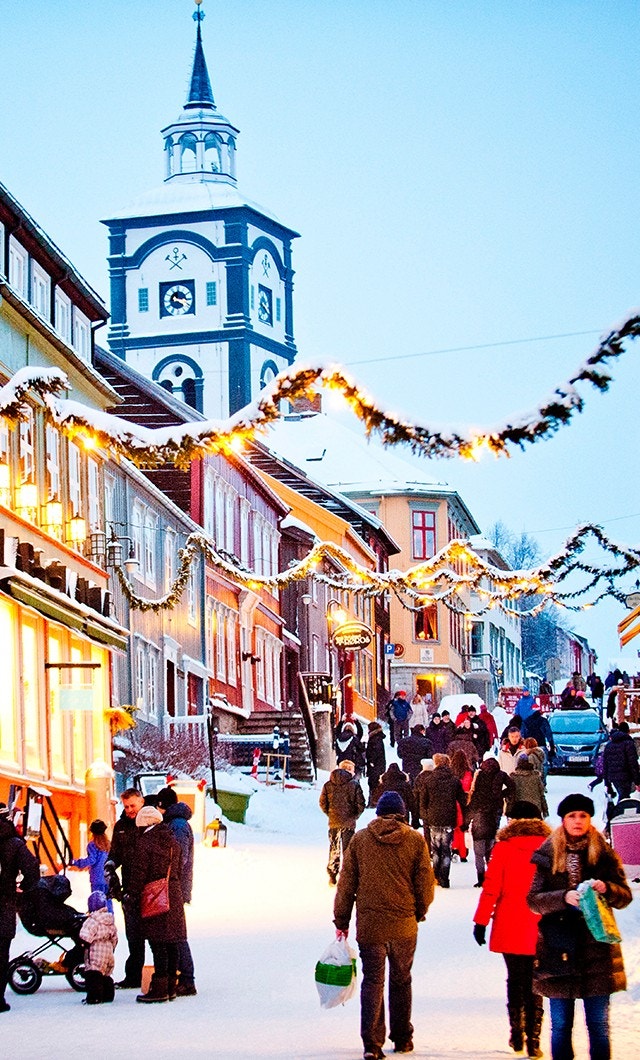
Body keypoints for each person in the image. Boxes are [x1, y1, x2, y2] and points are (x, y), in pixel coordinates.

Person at [527, 793, 632, 1060]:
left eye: (583, 815)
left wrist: (607, 888)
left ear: (589, 819)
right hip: (558, 950)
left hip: (596, 949)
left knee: (598, 1026)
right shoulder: (547, 854)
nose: (577, 821)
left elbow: (625, 896)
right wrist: (562, 897)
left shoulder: (604, 854)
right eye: (572, 815)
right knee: (561, 1026)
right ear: (563, 820)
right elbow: (533, 901)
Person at [334, 791, 435, 1059]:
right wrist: (419, 911)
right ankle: (402, 1038)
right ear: (402, 813)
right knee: (402, 980)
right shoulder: (415, 840)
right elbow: (426, 884)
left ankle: (372, 1043)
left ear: (378, 813)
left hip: (371, 926)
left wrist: (341, 920)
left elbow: (346, 885)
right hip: (404, 925)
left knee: (373, 981)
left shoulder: (360, 840)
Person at [473, 801, 552, 1058]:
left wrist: (481, 921)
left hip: (509, 923)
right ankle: (535, 1039)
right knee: (536, 981)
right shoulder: (550, 848)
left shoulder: (504, 848)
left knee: (515, 979)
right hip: (542, 925)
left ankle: (516, 1032)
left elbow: (491, 887)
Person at [127, 805, 186, 1003]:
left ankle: (159, 988)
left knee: (158, 942)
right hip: (173, 895)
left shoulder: (145, 842)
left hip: (155, 896)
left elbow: (139, 873)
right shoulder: (173, 841)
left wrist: (132, 896)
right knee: (172, 942)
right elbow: (179, 869)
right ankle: (171, 986)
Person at [156, 787, 197, 996]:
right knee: (174, 932)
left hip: (176, 886)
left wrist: (170, 878)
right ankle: (183, 976)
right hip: (176, 885)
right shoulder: (176, 823)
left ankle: (188, 979)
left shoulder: (178, 825)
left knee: (177, 933)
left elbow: (179, 857)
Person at [105, 787, 146, 989]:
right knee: (134, 934)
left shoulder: (149, 823)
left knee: (157, 934)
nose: (130, 809)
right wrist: (111, 865)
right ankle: (134, 976)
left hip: (149, 887)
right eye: (126, 806)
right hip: (129, 887)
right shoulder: (121, 826)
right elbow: (115, 853)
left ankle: (160, 974)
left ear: (142, 802)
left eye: (133, 805)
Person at [0, 803, 39, 1013]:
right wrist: (22, 888)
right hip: (4, 903)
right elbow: (32, 869)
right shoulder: (14, 843)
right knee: (1, 952)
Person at [414, 753, 467, 888]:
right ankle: (444, 878)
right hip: (449, 817)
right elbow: (462, 800)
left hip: (433, 818)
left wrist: (424, 815)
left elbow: (423, 801)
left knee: (435, 848)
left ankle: (436, 876)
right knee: (446, 849)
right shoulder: (454, 780)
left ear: (436, 764)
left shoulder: (428, 779)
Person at [466, 756, 514, 886]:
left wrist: (466, 822)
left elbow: (474, 799)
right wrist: (501, 794)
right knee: (491, 846)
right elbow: (512, 786)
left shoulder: (480, 776)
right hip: (494, 812)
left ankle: (481, 878)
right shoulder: (501, 775)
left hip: (480, 816)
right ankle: (492, 875)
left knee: (478, 853)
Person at [319, 760, 366, 885]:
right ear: (349, 770)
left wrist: (330, 814)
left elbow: (323, 803)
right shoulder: (354, 785)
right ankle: (347, 876)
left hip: (333, 822)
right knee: (348, 850)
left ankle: (332, 874)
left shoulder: (328, 785)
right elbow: (361, 803)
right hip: (349, 823)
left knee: (334, 848)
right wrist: (354, 816)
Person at [79, 890, 118, 1005]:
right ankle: (108, 995)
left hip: (96, 951)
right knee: (106, 975)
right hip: (108, 951)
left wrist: (82, 944)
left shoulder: (92, 920)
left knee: (94, 974)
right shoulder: (110, 921)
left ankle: (94, 997)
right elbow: (115, 938)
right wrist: (112, 948)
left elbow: (85, 936)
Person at [73, 819, 113, 911]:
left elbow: (91, 860)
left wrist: (76, 863)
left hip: (97, 879)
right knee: (108, 902)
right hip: (108, 878)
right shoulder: (108, 844)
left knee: (97, 903)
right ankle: (109, 921)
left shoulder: (93, 845)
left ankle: (98, 922)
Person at [602, 721, 640, 800]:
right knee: (624, 798)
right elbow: (632, 763)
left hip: (613, 777)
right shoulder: (629, 743)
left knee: (623, 796)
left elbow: (605, 764)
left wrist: (607, 783)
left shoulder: (609, 745)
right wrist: (637, 781)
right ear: (628, 731)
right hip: (625, 776)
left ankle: (621, 810)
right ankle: (621, 811)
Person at [449, 747, 474, 862]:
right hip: (466, 801)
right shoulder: (469, 772)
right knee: (463, 828)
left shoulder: (450, 772)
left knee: (454, 827)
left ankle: (454, 848)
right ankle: (463, 853)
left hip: (453, 801)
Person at [508, 754, 548, 819]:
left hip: (518, 810)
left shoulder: (514, 777)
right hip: (535, 809)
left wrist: (509, 810)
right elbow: (542, 795)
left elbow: (511, 796)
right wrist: (545, 810)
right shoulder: (536, 776)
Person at [522, 705, 555, 778]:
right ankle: (542, 782)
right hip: (541, 745)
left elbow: (522, 735)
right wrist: (552, 746)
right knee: (543, 764)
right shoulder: (543, 721)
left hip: (528, 747)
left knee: (530, 763)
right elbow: (548, 734)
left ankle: (532, 781)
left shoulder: (526, 721)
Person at [365, 722, 386, 807]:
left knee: (373, 783)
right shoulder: (377, 737)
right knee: (375, 783)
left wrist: (371, 761)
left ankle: (374, 801)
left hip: (375, 765)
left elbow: (375, 751)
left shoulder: (375, 739)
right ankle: (374, 801)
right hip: (379, 765)